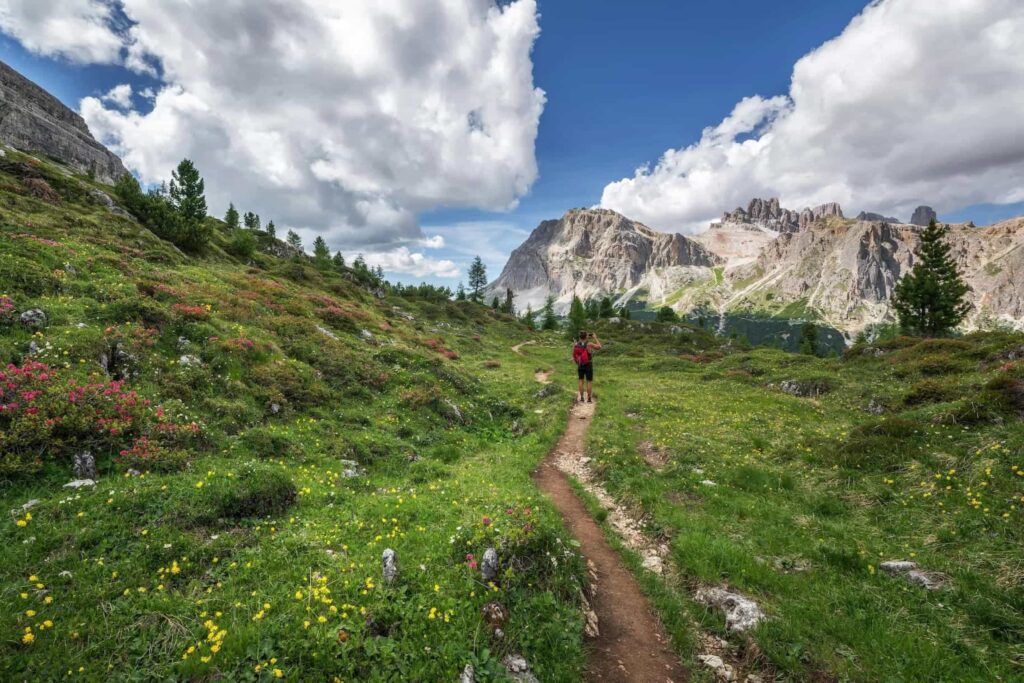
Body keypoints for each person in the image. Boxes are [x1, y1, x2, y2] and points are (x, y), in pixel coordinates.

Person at [572, 330, 602, 403]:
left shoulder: (576, 344)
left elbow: (574, 355)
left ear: (579, 337)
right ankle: (589, 399)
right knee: (589, 381)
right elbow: (599, 347)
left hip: (580, 364)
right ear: (586, 336)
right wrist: (595, 338)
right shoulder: (589, 344)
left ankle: (582, 398)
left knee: (580, 381)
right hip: (588, 364)